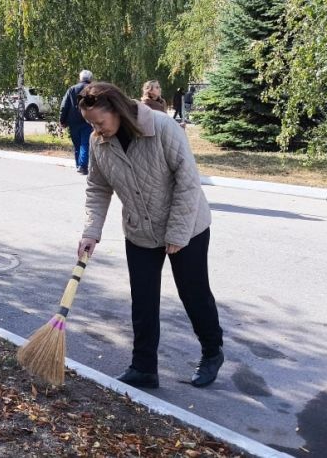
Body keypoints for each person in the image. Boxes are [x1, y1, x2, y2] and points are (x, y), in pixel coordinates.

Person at [75, 81, 224, 389]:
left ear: (115, 110)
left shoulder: (163, 127)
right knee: (142, 301)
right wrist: (92, 231)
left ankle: (212, 352)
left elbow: (188, 182)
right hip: (140, 229)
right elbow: (98, 189)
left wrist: (178, 233)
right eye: (90, 123)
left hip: (187, 226)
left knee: (193, 294)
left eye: (99, 122)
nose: (96, 129)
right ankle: (144, 367)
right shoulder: (99, 143)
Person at [59, 69, 94, 175]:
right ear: (90, 79)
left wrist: (62, 120)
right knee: (85, 143)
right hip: (87, 121)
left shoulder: (72, 89)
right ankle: (82, 166)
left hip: (73, 121)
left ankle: (79, 165)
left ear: (80, 78)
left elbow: (64, 105)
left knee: (77, 144)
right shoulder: (92, 90)